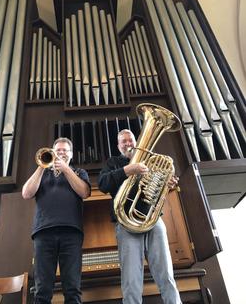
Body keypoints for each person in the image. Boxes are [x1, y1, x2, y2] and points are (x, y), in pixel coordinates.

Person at [98, 129, 182, 304]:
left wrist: (167, 183)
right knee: (131, 277)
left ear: (136, 142)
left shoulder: (151, 161)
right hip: (126, 222)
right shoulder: (113, 162)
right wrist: (127, 170)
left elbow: (157, 189)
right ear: (118, 145)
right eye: (124, 141)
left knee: (165, 272)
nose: (128, 144)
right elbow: (103, 184)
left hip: (152, 219)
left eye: (130, 140)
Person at [22, 137, 91, 304]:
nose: (61, 153)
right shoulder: (42, 174)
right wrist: (41, 167)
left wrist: (67, 170)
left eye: (65, 150)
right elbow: (26, 193)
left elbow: (84, 192)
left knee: (72, 289)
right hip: (43, 234)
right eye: (57, 150)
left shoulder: (79, 172)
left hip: (71, 234)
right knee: (42, 289)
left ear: (71, 154)